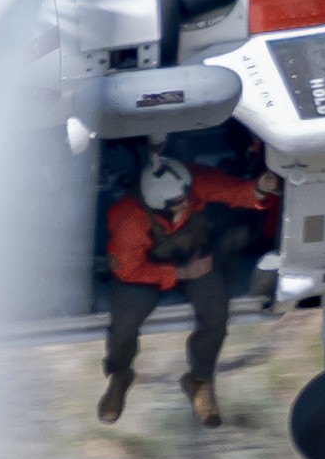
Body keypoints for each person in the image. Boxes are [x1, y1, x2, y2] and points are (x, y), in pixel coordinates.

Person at [99, 144, 279, 423]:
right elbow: (129, 270)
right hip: (146, 270)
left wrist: (260, 190)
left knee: (216, 312)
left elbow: (232, 192)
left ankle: (200, 381)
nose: (185, 203)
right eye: (177, 203)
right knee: (124, 322)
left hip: (194, 255)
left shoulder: (194, 182)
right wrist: (180, 274)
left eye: (186, 196)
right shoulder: (129, 220)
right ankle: (120, 374)